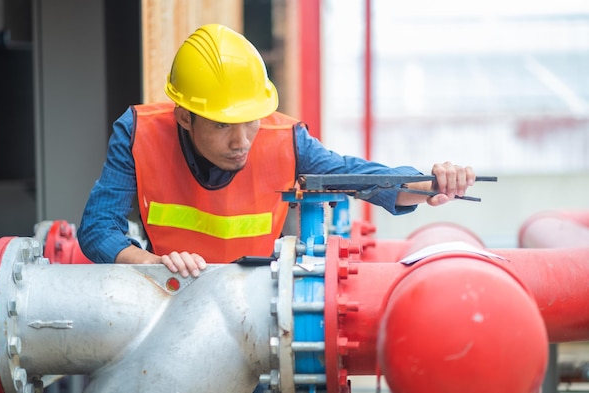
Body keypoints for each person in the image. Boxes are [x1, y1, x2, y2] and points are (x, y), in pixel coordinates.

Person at [77, 23, 476, 278]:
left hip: (252, 308)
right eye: (222, 125)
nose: (242, 141)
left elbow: (359, 178)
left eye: (250, 119)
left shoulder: (285, 139)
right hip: (167, 295)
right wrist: (152, 266)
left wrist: (429, 185)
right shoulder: (138, 134)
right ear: (184, 117)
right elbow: (97, 229)